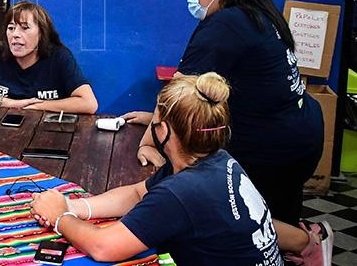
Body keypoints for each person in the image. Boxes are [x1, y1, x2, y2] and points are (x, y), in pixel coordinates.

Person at [121, 0, 331, 263]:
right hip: (301, 135)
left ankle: (307, 243)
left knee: (234, 213)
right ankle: (304, 246)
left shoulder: (225, 23)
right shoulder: (261, 15)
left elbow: (176, 90)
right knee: (269, 226)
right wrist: (154, 118)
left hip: (271, 144)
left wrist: (151, 140)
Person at [32, 73, 329, 266]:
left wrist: (60, 217)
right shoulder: (218, 161)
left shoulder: (181, 192)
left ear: (165, 133)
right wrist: (76, 205)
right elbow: (137, 194)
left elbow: (104, 247)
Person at [0, 0, 98, 114]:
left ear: (41, 33)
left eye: (25, 28)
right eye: (11, 28)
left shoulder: (59, 57)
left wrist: (34, 106)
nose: (15, 35)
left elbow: (89, 103)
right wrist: (5, 102)